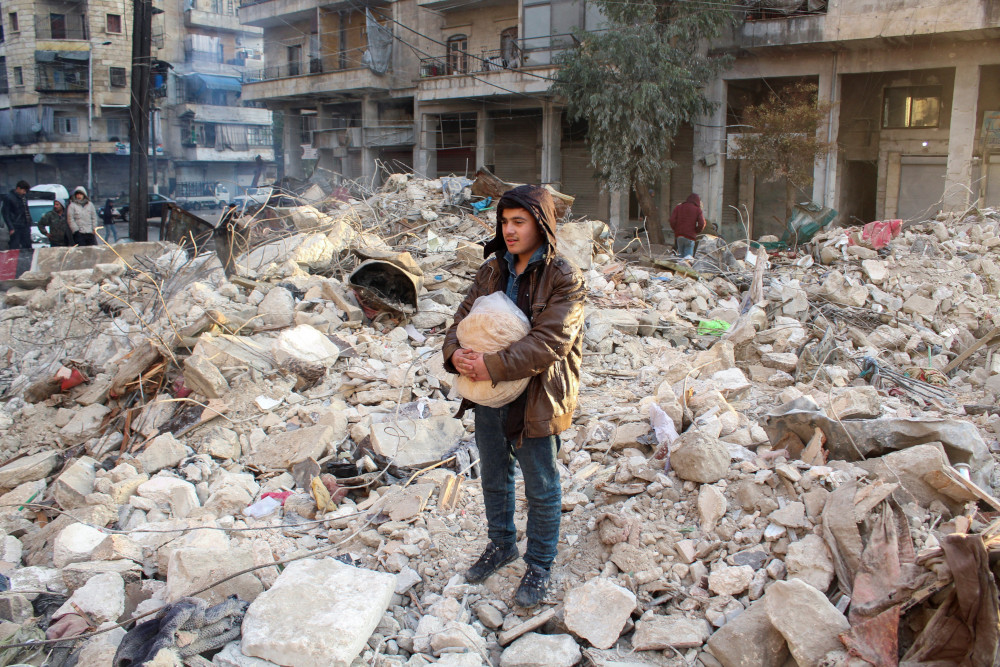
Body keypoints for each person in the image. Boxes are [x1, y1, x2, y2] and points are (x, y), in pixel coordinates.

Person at [443, 185, 585, 608]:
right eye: (504, 221)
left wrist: (493, 364)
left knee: (541, 483)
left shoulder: (563, 277)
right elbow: (460, 321)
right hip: (488, 392)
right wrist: (457, 356)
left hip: (538, 394)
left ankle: (540, 565)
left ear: (541, 225)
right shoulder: (491, 271)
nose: (508, 230)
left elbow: (551, 341)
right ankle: (501, 545)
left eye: (518, 221)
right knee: (493, 473)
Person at [669, 193, 706, 259]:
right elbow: (701, 224)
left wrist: (676, 230)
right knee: (688, 260)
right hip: (690, 237)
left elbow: (672, 220)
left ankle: (679, 268)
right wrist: (696, 231)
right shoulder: (697, 210)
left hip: (679, 236)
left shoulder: (678, 207)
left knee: (680, 257)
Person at [1, 180, 34, 250]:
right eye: (23, 191)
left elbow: (26, 210)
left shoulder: (24, 197)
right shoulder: (9, 198)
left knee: (27, 246)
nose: (24, 193)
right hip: (16, 226)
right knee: (14, 246)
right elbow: (5, 213)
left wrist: (29, 222)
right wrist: (11, 227)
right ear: (18, 188)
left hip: (25, 225)